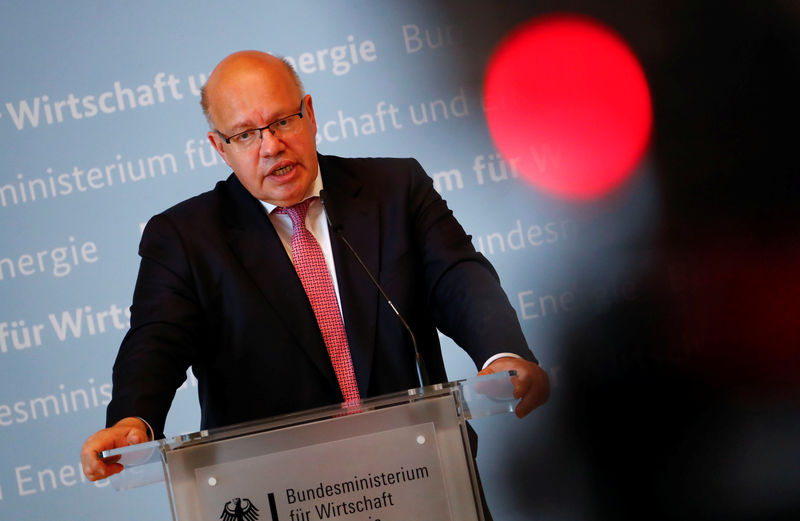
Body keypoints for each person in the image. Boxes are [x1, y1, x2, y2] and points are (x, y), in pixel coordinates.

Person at [80, 51, 549, 483]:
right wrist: (133, 418)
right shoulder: (185, 238)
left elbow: (458, 276)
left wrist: (501, 355)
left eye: (283, 121)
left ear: (310, 113)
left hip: (421, 474)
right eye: (245, 134)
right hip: (282, 492)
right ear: (219, 147)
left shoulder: (395, 188)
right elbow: (156, 339)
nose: (271, 146)